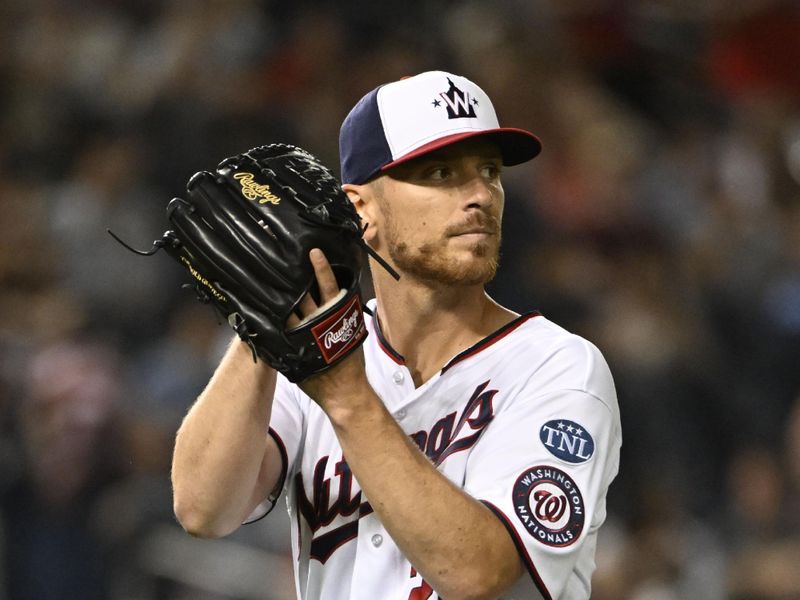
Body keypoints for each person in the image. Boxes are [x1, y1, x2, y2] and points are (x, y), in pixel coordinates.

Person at [170, 70, 622, 600]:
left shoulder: (558, 367)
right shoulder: (310, 352)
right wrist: (263, 319)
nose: (480, 194)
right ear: (361, 209)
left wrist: (346, 396)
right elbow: (203, 508)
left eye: (489, 171)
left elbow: (477, 573)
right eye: (440, 173)